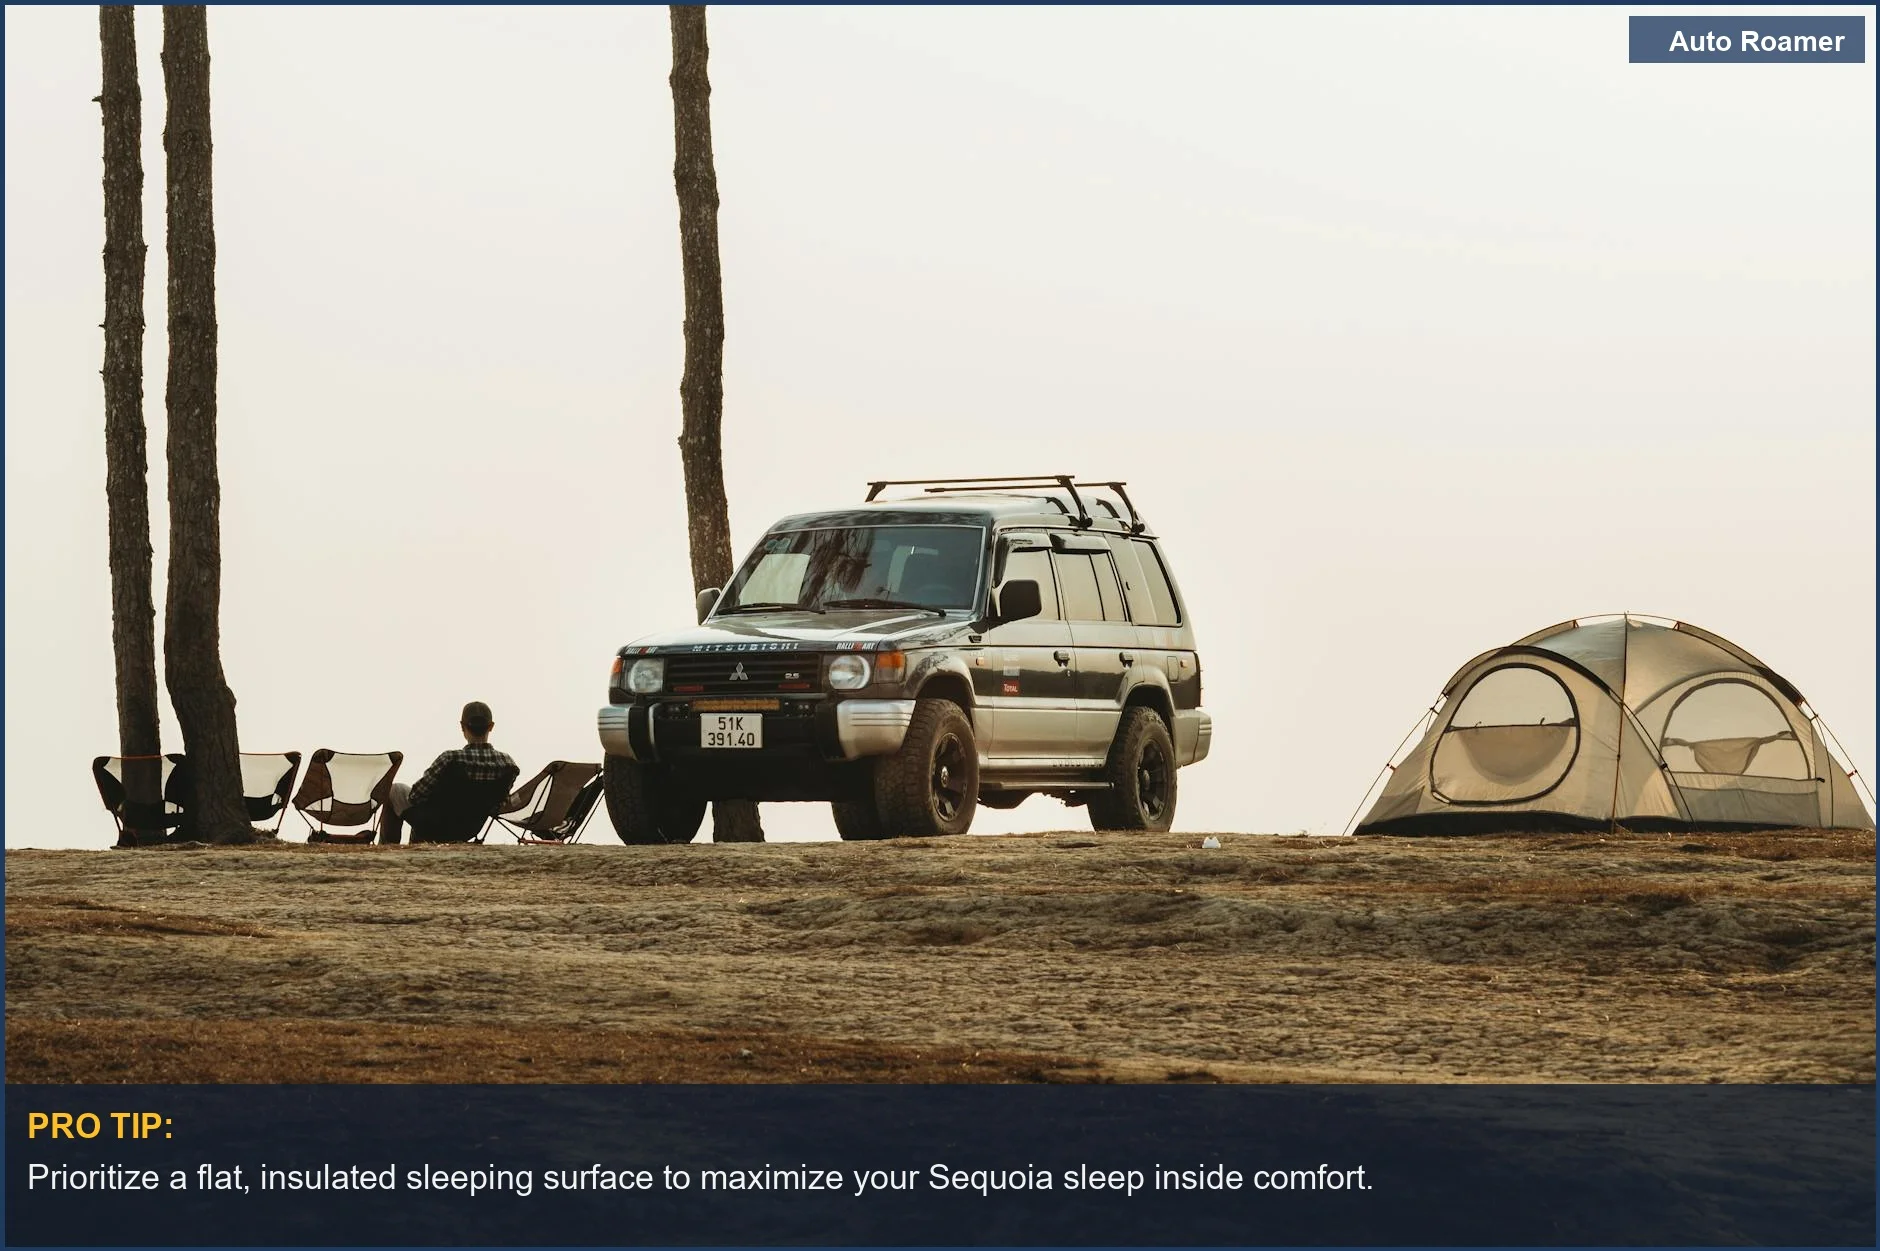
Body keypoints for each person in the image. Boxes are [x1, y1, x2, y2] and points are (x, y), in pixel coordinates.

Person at [378, 701, 518, 844]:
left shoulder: (450, 759)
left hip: (434, 825)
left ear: (462, 727)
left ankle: (386, 847)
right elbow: (498, 805)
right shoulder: (508, 765)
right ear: (491, 726)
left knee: (394, 791)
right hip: (469, 829)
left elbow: (415, 796)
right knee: (426, 806)